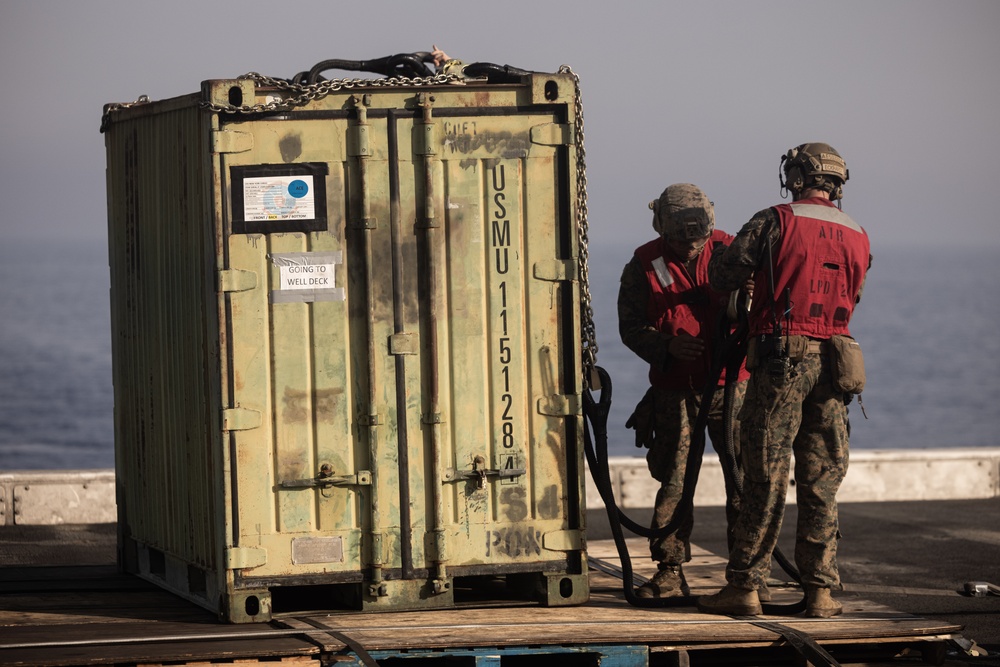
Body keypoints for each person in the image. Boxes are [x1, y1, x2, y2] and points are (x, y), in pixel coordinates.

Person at [697, 143, 871, 618]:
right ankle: (820, 592)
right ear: (837, 182)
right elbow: (854, 290)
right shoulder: (858, 233)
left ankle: (746, 588)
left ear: (797, 175)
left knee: (765, 474)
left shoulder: (775, 219)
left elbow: (720, 274)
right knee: (821, 480)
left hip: (781, 359)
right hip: (836, 364)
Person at [618, 183, 751, 598]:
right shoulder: (643, 264)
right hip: (676, 391)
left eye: (697, 238)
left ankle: (747, 574)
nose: (691, 247)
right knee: (675, 481)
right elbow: (631, 327)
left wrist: (750, 298)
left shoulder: (733, 251)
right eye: (681, 239)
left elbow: (768, 308)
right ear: (662, 228)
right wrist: (666, 346)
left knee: (745, 482)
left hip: (735, 390)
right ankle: (670, 571)